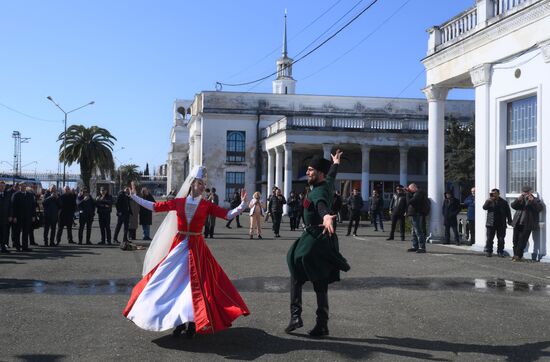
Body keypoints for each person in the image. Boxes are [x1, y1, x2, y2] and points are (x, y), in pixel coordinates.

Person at [123, 166, 249, 338]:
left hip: (197, 248)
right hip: (180, 245)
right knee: (172, 283)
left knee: (195, 286)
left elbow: (227, 215)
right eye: (200, 183)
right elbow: (155, 207)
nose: (203, 187)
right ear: (192, 184)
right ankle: (179, 321)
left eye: (204, 184)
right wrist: (135, 197)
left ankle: (191, 322)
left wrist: (242, 205)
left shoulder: (206, 205)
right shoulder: (179, 202)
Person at [286, 150, 350, 337]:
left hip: (314, 237)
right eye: (308, 169)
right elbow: (331, 176)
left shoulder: (318, 192)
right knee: (320, 280)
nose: (308, 172)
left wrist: (327, 217)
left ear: (319, 173)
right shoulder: (326, 183)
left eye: (311, 170)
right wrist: (336, 163)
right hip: (325, 240)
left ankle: (295, 316)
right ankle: (322, 324)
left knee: (294, 265)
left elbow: (321, 205)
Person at [510, 186, 543, 262]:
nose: (525, 193)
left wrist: (533, 201)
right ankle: (515, 255)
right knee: (515, 240)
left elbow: (539, 209)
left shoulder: (535, 200)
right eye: (524, 192)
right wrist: (518, 200)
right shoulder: (520, 199)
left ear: (530, 192)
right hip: (517, 222)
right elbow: (513, 206)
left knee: (522, 241)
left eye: (527, 192)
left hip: (527, 224)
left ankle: (518, 256)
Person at [482, 188, 512, 257]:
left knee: (501, 239)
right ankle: (489, 251)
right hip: (491, 222)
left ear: (498, 194)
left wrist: (509, 220)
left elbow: (508, 212)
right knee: (489, 238)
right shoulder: (489, 201)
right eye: (492, 193)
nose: (493, 195)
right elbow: (484, 208)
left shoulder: (504, 202)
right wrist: (488, 201)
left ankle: (500, 252)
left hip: (501, 223)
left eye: (495, 193)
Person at [10, 183, 36, 251]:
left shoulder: (30, 195)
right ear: (19, 187)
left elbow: (33, 206)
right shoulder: (15, 195)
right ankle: (17, 247)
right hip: (18, 217)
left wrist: (33, 215)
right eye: (22, 186)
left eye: (25, 186)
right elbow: (13, 206)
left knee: (26, 232)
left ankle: (25, 247)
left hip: (27, 217)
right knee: (17, 232)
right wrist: (14, 216)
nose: (24, 187)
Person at [405, 183, 428, 253]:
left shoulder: (419, 193)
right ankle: (415, 246)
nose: (409, 190)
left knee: (418, 231)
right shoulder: (415, 194)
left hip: (416, 214)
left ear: (414, 187)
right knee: (414, 231)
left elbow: (410, 201)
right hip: (413, 214)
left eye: (410, 189)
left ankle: (422, 247)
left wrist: (408, 193)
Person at [0, 181, 11, 253]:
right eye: (1, 186)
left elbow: (10, 206)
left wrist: (10, 215)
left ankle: (3, 247)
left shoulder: (7, 194)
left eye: (3, 186)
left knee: (4, 233)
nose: (2, 187)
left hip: (4, 217)